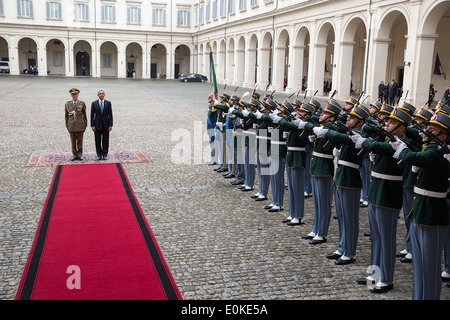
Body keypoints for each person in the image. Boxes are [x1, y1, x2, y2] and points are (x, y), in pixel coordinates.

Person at [351, 107, 412, 293]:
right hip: (377, 191)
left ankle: (386, 279)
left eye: (392, 122)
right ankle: (374, 275)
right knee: (376, 238)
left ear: (402, 127)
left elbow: (386, 149)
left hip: (389, 194)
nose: (387, 124)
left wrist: (367, 143)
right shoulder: (386, 138)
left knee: (387, 239)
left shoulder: (406, 143)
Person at [391, 111, 450, 300]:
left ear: (443, 135)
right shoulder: (431, 150)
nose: (425, 131)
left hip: (433, 214)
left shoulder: (438, 151)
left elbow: (420, 158)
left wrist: (402, 149)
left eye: (431, 130)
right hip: (421, 212)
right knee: (419, 265)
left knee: (430, 267)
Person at [323, 102, 371, 264]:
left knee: (350, 218)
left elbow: (342, 138)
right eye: (349, 117)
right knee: (343, 217)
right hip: (342, 178)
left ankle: (350, 252)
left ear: (360, 122)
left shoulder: (360, 136)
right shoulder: (350, 132)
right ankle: (342, 246)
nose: (348, 119)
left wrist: (329, 133)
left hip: (351, 180)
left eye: (352, 118)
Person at [298, 99, 342, 245]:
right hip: (317, 167)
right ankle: (316, 228)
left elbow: (330, 133)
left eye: (325, 113)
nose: (321, 114)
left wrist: (310, 125)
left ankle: (322, 232)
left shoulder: (331, 127)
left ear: (332, 117)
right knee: (317, 202)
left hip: (324, 169)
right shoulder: (324, 126)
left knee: (323, 203)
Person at [65, 88, 87, 161]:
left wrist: (85, 125)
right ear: (71, 95)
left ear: (78, 95)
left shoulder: (82, 103)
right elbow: (66, 116)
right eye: (73, 94)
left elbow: (84, 115)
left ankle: (79, 155)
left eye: (76, 94)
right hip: (72, 125)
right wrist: (67, 125)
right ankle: (74, 155)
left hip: (80, 125)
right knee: (73, 141)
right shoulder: (68, 104)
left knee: (80, 141)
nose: (75, 96)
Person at [90, 90, 113, 160]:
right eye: (100, 94)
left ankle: (105, 154)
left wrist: (110, 125)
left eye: (102, 94)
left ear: (104, 95)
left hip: (106, 124)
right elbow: (92, 115)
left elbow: (110, 114)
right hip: (97, 125)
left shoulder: (108, 103)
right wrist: (92, 125)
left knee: (105, 140)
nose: (101, 95)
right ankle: (99, 154)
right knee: (98, 140)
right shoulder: (94, 103)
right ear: (98, 95)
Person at [207, 94, 217, 165]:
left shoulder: (214, 107)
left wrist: (213, 127)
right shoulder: (210, 107)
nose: (208, 99)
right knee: (211, 145)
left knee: (212, 145)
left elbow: (215, 118)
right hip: (209, 128)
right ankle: (212, 159)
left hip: (212, 128)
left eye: (209, 98)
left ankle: (213, 160)